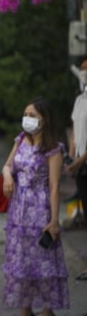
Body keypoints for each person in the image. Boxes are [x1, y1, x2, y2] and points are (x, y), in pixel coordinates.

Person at [0, 96, 69, 316]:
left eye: (33, 116)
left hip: (40, 208)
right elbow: (7, 165)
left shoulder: (53, 149)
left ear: (44, 120)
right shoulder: (21, 140)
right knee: (20, 262)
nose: (27, 120)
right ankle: (25, 311)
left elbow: (54, 186)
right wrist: (8, 176)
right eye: (25, 114)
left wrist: (54, 220)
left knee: (44, 263)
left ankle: (47, 313)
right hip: (18, 210)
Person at [68, 58, 87, 281]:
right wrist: (71, 155)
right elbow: (74, 130)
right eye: (82, 71)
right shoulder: (80, 100)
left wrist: (79, 161)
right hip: (81, 166)